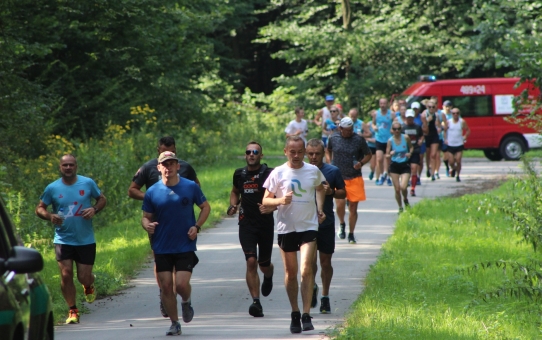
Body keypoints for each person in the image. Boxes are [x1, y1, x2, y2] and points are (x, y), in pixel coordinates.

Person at [128, 136, 200, 318]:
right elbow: (132, 190)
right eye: (163, 150)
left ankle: (181, 295)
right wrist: (153, 199)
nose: (167, 157)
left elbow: (198, 191)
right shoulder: (147, 168)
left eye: (171, 151)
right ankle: (165, 294)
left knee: (180, 273)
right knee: (161, 261)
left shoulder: (185, 167)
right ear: (157, 150)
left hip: (181, 226)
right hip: (158, 223)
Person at [141, 151, 211, 336]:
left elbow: (205, 207)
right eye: (165, 164)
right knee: (165, 286)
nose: (168, 167)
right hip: (162, 245)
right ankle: (174, 323)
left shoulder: (190, 187)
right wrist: (147, 225)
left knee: (180, 285)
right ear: (159, 168)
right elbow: (145, 218)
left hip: (184, 244)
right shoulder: (152, 191)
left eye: (172, 163)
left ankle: (186, 301)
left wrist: (197, 226)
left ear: (178, 166)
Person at [262, 136, 326, 334]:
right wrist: (280, 200)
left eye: (300, 152)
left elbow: (320, 188)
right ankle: (295, 312)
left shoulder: (313, 171)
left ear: (305, 152)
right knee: (291, 273)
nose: (296, 156)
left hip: (308, 226)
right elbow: (265, 201)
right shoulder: (278, 172)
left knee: (306, 269)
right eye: (293, 152)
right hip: (286, 228)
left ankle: (307, 314)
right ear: (285, 151)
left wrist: (320, 208)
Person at [36, 154, 107, 324]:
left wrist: (94, 209)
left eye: (71, 165)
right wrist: (49, 216)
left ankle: (88, 284)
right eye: (65, 165)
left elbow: (102, 199)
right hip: (63, 239)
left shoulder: (87, 183)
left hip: (85, 239)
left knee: (84, 277)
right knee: (66, 275)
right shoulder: (52, 188)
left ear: (76, 166)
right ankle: (73, 310)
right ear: (60, 167)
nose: (68, 168)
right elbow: (39, 208)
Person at [227, 141, 275, 317]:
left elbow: (279, 196)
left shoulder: (269, 174)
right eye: (248, 152)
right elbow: (234, 192)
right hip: (246, 223)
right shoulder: (239, 174)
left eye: (255, 152)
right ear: (245, 155)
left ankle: (269, 275)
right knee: (251, 261)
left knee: (263, 264)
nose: (251, 154)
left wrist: (272, 207)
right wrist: (233, 205)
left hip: (265, 224)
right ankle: (256, 302)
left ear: (261, 155)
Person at [306, 139, 346, 314]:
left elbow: (343, 192)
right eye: (311, 154)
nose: (314, 157)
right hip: (306, 223)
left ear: (324, 154)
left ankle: (325, 296)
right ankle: (312, 286)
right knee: (310, 262)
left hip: (326, 223)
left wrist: (331, 192)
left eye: (317, 154)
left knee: (325, 262)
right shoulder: (301, 172)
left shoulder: (332, 171)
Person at [325, 117, 372, 244]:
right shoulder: (333, 138)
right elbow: (327, 150)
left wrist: (361, 163)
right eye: (347, 130)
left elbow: (369, 154)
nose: (349, 132)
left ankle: (351, 234)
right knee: (339, 205)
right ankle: (342, 224)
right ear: (340, 128)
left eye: (351, 130)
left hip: (354, 177)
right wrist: (329, 162)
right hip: (338, 177)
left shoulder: (358, 139)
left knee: (353, 207)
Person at [386, 122, 414, 214]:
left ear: (401, 129)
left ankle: (405, 199)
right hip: (394, 166)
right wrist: (390, 154)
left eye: (398, 129)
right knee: (397, 189)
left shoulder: (405, 137)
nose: (397, 131)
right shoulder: (390, 140)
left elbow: (411, 147)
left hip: (404, 164)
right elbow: (386, 154)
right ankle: (400, 207)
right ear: (392, 130)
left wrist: (410, 153)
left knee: (403, 187)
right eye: (394, 129)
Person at [421, 100, 447, 181]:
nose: (431, 108)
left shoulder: (437, 114)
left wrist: (439, 126)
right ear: (427, 107)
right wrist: (427, 121)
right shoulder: (424, 115)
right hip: (427, 135)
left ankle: (433, 174)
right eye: (429, 107)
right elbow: (422, 128)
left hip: (435, 136)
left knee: (433, 155)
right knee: (428, 154)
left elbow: (441, 125)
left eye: (433, 107)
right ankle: (428, 168)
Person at [372, 98, 396, 186]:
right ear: (379, 104)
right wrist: (374, 127)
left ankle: (388, 176)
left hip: (389, 139)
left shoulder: (391, 114)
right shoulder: (376, 114)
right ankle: (382, 175)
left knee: (388, 159)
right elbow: (373, 123)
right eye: (381, 103)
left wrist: (392, 129)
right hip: (379, 139)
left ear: (387, 104)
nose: (382, 105)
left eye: (384, 103)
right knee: (379, 159)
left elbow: (395, 124)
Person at [402, 110, 424, 196]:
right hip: (405, 151)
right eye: (408, 118)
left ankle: (413, 188)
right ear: (406, 118)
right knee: (405, 170)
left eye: (411, 117)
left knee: (414, 168)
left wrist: (421, 140)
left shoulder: (417, 127)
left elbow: (422, 135)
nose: (410, 119)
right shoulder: (403, 127)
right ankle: (405, 183)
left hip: (415, 149)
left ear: (413, 118)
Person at [445, 108, 471, 182]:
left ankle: (458, 175)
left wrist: (465, 137)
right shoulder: (448, 122)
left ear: (459, 114)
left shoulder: (462, 122)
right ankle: (454, 168)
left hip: (459, 144)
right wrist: (445, 139)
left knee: (458, 160)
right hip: (450, 144)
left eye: (457, 113)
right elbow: (445, 131)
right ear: (451, 114)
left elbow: (468, 130)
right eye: (453, 113)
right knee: (451, 162)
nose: (455, 114)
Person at [411, 101, 425, 185]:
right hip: (411, 142)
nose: (415, 110)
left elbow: (425, 130)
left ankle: (418, 176)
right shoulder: (409, 117)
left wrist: (421, 139)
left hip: (419, 141)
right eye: (414, 109)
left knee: (420, 160)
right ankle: (413, 176)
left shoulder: (421, 117)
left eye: (416, 109)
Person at [440, 100, 454, 177]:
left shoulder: (454, 114)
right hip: (443, 137)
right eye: (446, 106)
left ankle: (452, 167)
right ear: (443, 107)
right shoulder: (441, 114)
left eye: (449, 106)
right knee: (445, 154)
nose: (447, 108)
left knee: (452, 154)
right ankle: (447, 167)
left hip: (452, 137)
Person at [363, 110, 377, 180]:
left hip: (379, 144)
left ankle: (379, 176)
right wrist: (369, 140)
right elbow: (365, 135)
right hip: (371, 145)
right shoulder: (368, 124)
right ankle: (372, 170)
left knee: (379, 161)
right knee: (373, 163)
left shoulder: (380, 123)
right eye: (373, 114)